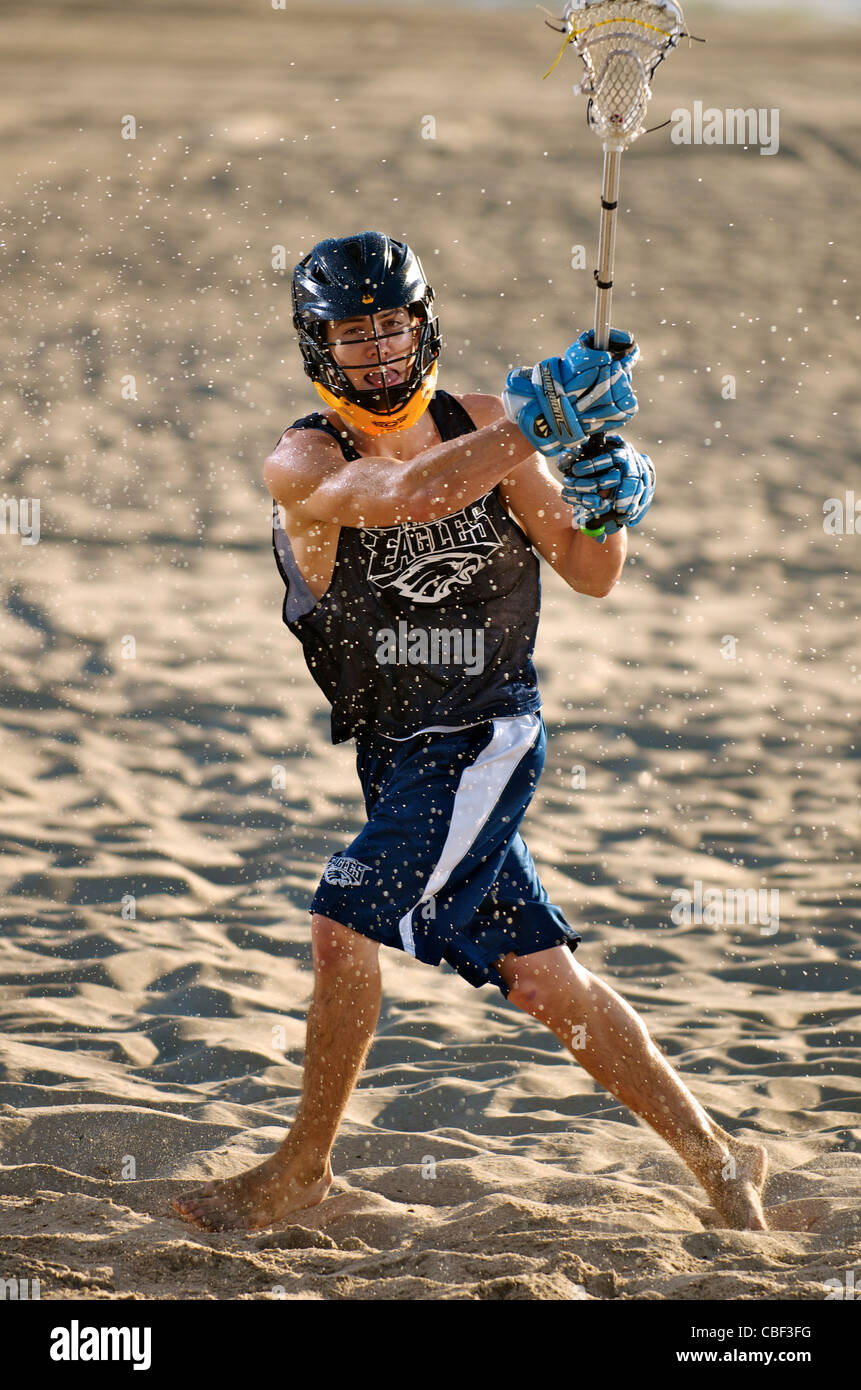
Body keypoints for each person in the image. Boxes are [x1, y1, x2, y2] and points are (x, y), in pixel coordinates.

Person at [172, 231, 768, 1233]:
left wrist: (613, 500)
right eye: (351, 332)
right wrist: (540, 424)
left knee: (340, 920)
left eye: (391, 323)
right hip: (396, 757)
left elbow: (591, 571)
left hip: (486, 735)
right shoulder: (306, 462)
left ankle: (301, 1171)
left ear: (423, 322)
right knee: (547, 981)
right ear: (315, 345)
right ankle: (720, 1160)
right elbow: (411, 495)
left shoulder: (487, 423)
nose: (376, 349)